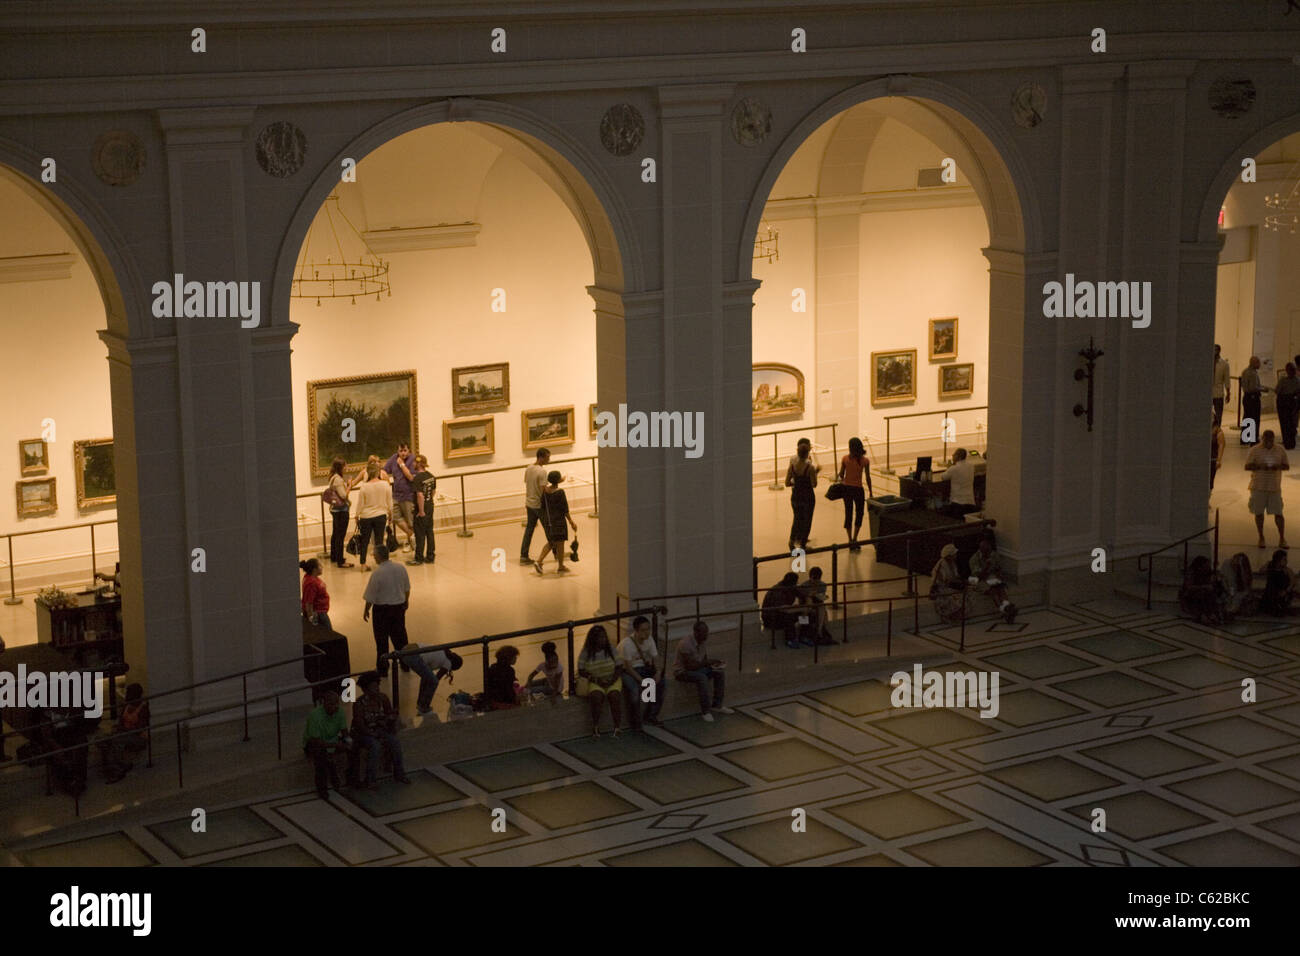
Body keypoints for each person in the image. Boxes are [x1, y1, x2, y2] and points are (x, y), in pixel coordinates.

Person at [350, 671, 410, 787]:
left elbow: (388, 713)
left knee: (395, 743)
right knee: (375, 746)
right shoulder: (358, 704)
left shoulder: (383, 698)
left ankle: (399, 773)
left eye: (377, 686)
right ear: (365, 689)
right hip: (363, 734)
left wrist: (392, 717)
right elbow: (360, 726)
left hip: (380, 730)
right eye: (373, 687)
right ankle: (370, 779)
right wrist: (372, 734)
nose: (377, 689)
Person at [362, 545, 410, 677]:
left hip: (382, 611)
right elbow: (407, 588)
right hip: (398, 608)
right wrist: (406, 601)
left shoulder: (377, 573)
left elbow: (371, 595)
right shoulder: (400, 568)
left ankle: (383, 668)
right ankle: (406, 663)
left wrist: (366, 610)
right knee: (401, 638)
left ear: (378, 557)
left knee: (382, 640)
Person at [673, 620, 732, 722]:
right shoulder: (685, 644)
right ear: (696, 632)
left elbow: (704, 659)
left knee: (719, 672)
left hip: (698, 668)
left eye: (707, 632)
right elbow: (689, 666)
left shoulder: (703, 641)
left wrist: (714, 665)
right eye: (704, 632)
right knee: (701, 678)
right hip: (682, 672)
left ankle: (717, 705)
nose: (706, 635)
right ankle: (706, 711)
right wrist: (707, 663)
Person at [1245, 429, 1289, 549]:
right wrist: (1260, 466)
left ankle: (1282, 538)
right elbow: (1247, 466)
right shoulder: (1254, 450)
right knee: (1259, 513)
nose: (1268, 443)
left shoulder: (1280, 450)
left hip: (1274, 487)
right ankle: (1261, 537)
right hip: (1258, 487)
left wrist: (1277, 467)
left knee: (1279, 513)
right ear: (1262, 438)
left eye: (1271, 440)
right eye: (1266, 440)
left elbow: (1286, 466)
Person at [303, 689, 350, 800]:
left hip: (332, 741)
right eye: (331, 704)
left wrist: (349, 742)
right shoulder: (315, 716)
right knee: (320, 756)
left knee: (353, 749)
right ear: (324, 703)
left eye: (336, 703)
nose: (334, 706)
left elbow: (344, 731)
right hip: (314, 743)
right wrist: (335, 745)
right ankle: (322, 789)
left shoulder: (340, 712)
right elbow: (316, 741)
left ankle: (352, 779)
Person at [618, 616, 663, 729]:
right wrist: (642, 681)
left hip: (642, 667)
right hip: (626, 671)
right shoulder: (627, 644)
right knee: (634, 690)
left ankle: (650, 716)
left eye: (648, 629)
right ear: (636, 631)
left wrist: (658, 672)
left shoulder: (649, 639)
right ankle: (636, 722)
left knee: (661, 683)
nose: (647, 633)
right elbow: (628, 668)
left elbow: (656, 657)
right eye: (643, 630)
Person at [578, 625, 623, 736]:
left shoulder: (611, 649)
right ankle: (596, 726)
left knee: (614, 696)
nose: (603, 640)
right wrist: (595, 679)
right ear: (593, 639)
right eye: (600, 637)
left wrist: (612, 680)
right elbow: (581, 670)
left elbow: (619, 666)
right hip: (595, 681)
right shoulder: (586, 652)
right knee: (596, 697)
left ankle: (617, 727)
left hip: (612, 679)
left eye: (604, 637)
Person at [101, 683, 150, 783]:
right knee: (101, 740)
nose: (127, 695)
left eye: (129, 693)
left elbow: (139, 728)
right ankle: (119, 764)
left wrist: (122, 730)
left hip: (138, 738)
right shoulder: (126, 706)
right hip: (124, 733)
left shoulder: (143, 708)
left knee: (117, 741)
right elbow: (120, 723)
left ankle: (117, 770)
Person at [395, 645, 463, 715]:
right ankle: (424, 708)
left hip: (408, 650)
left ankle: (420, 704)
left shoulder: (444, 651)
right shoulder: (449, 662)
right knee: (434, 682)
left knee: (426, 677)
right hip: (413, 655)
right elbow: (436, 678)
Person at [535, 470, 578, 575]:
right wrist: (571, 521)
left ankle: (541, 561)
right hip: (559, 521)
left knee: (551, 542)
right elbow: (565, 509)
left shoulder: (545, 492)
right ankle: (558, 565)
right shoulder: (560, 492)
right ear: (558, 480)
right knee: (560, 543)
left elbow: (542, 506)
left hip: (549, 521)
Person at [968, 533, 1017, 623]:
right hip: (978, 580)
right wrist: (986, 567)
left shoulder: (994, 555)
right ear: (982, 550)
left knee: (1001, 588)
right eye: (987, 551)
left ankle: (1007, 607)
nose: (990, 553)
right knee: (993, 590)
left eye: (990, 550)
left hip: (992, 577)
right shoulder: (974, 559)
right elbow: (978, 576)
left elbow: (998, 568)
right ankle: (1003, 610)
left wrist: (999, 574)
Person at [355, 462, 393, 571]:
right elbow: (389, 501)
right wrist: (391, 514)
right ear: (378, 472)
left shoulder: (364, 487)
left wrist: (357, 515)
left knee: (364, 541)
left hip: (366, 516)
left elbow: (360, 503)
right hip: (380, 515)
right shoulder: (385, 485)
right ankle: (381, 563)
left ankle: (363, 563)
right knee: (379, 540)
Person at [838, 437, 872, 551]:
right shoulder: (865, 461)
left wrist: (841, 480)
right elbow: (867, 477)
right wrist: (871, 492)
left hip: (847, 489)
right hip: (858, 490)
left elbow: (841, 475)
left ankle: (849, 540)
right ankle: (855, 538)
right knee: (859, 513)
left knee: (848, 513)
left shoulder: (845, 459)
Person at [785, 437, 819, 551]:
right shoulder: (810, 467)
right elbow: (814, 484)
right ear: (807, 453)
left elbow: (787, 483)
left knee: (797, 519)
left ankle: (791, 541)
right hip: (808, 497)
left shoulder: (792, 465)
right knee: (807, 520)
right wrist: (815, 473)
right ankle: (803, 544)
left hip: (795, 496)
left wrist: (796, 483)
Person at [384, 442, 418, 551]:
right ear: (397, 451)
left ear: (409, 451)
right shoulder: (394, 458)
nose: (402, 453)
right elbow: (384, 470)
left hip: (408, 495)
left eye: (405, 451)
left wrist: (402, 465)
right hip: (396, 495)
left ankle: (410, 543)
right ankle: (412, 536)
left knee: (410, 521)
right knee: (395, 517)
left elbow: (411, 477)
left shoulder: (413, 460)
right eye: (400, 451)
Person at [520, 447, 551, 564]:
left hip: (529, 503)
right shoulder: (542, 472)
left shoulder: (529, 468)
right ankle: (556, 551)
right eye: (548, 457)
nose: (549, 460)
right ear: (541, 457)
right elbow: (545, 490)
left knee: (529, 529)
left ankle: (523, 555)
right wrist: (557, 484)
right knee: (549, 529)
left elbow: (527, 483)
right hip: (539, 505)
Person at [1179, 555, 1227, 625]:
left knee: (1209, 594)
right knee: (1201, 595)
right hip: (1190, 595)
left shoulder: (1207, 573)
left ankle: (1211, 614)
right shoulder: (1191, 573)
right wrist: (1204, 587)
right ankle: (1204, 615)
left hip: (1203, 592)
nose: (1208, 567)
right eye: (1206, 565)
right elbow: (1188, 587)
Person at [325, 457, 354, 569]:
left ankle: (334, 556)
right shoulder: (338, 479)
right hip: (341, 510)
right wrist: (349, 486)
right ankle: (340, 561)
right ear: (340, 467)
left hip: (335, 510)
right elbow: (343, 495)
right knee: (340, 535)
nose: (346, 468)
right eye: (345, 466)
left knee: (335, 533)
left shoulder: (333, 478)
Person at [762, 571, 803, 648]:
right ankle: (790, 639)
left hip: (781, 613)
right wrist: (799, 608)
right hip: (771, 618)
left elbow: (801, 594)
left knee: (805, 616)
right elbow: (783, 609)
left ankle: (804, 634)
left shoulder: (791, 587)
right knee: (789, 617)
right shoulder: (777, 591)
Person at [408, 454, 436, 565]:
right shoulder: (431, 476)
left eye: (414, 462)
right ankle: (430, 556)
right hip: (430, 506)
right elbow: (433, 492)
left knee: (419, 533)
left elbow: (419, 495)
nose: (413, 464)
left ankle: (418, 558)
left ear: (419, 463)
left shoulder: (417, 478)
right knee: (429, 532)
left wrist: (421, 510)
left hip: (422, 508)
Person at [929, 543, 967, 624]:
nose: (956, 555)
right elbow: (944, 580)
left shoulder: (952, 563)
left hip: (949, 586)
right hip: (941, 588)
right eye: (954, 554)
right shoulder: (941, 565)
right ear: (949, 556)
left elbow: (955, 576)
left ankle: (955, 616)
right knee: (953, 599)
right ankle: (948, 617)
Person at [797, 566, 832, 644]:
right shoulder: (804, 586)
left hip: (816, 604)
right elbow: (800, 599)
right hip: (806, 604)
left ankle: (819, 630)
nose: (815, 582)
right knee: (807, 608)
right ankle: (804, 630)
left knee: (822, 609)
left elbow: (821, 597)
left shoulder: (822, 585)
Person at [1241, 356, 1270, 445]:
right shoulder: (1252, 373)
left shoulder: (1245, 371)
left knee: (1247, 417)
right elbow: (1253, 388)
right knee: (1254, 418)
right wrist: (1263, 389)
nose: (1260, 364)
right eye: (1258, 363)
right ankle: (1253, 439)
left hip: (1246, 397)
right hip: (1253, 398)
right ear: (1253, 363)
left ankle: (1245, 438)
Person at [943, 448, 978, 517]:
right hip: (970, 503)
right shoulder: (971, 466)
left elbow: (943, 477)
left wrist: (949, 467)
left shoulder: (954, 468)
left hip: (957, 504)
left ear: (958, 457)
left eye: (954, 454)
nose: (952, 455)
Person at [299, 558, 332, 631]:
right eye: (320, 565)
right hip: (318, 613)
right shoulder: (311, 583)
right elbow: (309, 603)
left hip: (320, 611)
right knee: (328, 633)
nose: (322, 567)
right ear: (314, 570)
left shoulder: (310, 577)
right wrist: (311, 618)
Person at [1261, 550, 1296, 615]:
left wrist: (1286, 591)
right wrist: (1268, 563)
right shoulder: (1271, 568)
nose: (1286, 561)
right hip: (1271, 592)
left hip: (1283, 592)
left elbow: (1292, 582)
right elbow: (1261, 570)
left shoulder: (1287, 570)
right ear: (1278, 560)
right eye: (1284, 560)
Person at [1277, 363, 1300, 450]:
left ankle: (1287, 441)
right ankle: (1291, 442)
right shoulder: (1298, 380)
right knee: (1292, 423)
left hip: (1285, 402)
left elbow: (1277, 390)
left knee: (1285, 423)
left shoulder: (1283, 380)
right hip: (1292, 402)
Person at [1213, 345, 1231, 427]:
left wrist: (1228, 393)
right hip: (1207, 393)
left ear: (1219, 351)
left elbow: (1227, 380)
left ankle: (1218, 430)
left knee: (1219, 414)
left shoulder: (1224, 364)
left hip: (1218, 393)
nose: (1214, 352)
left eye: (1216, 350)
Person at [1211, 413, 1225, 490]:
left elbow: (1221, 446)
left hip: (1212, 459)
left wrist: (1218, 460)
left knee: (1210, 481)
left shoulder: (1218, 431)